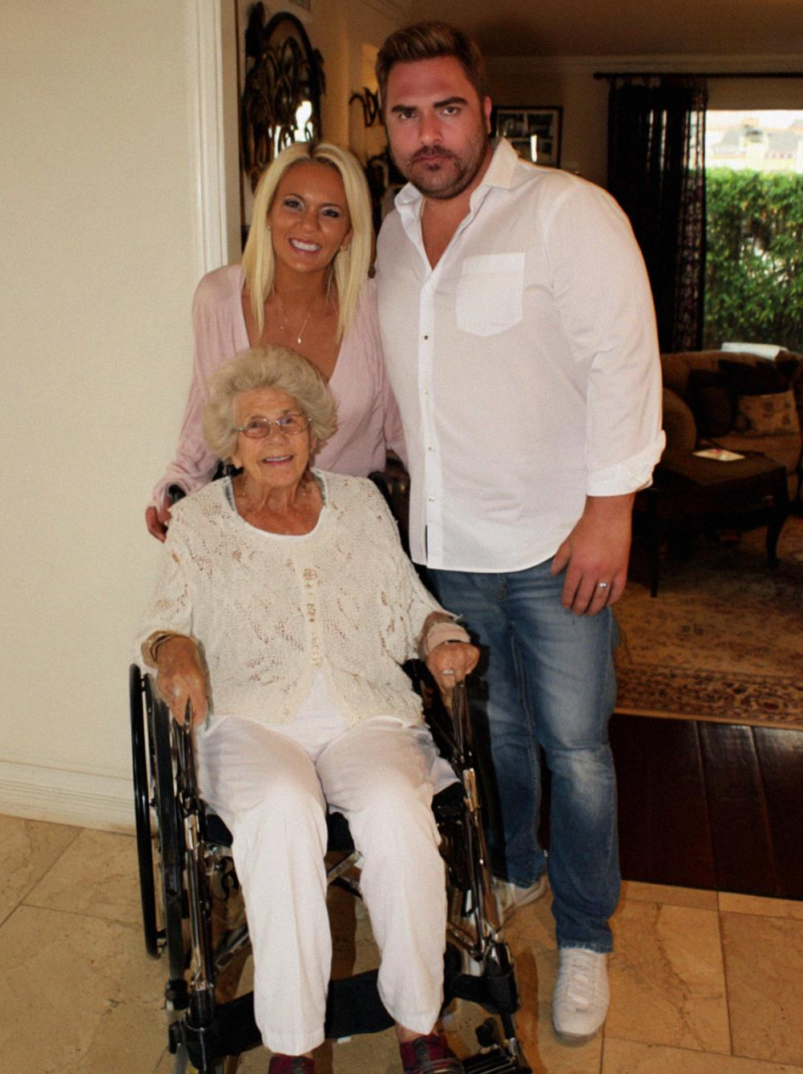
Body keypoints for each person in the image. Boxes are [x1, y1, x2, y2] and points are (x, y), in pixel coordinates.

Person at [374, 22, 665, 1044]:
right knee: (490, 734)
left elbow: (624, 362)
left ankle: (585, 935)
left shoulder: (567, 213)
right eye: (406, 113)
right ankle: (519, 868)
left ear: (485, 111)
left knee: (575, 748)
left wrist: (611, 510)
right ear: (387, 124)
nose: (428, 132)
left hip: (557, 545)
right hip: (446, 547)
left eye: (446, 107)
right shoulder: (389, 233)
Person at [139, 346, 478, 1074]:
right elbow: (164, 622)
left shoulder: (360, 503)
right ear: (231, 444)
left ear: (315, 429)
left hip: (364, 712)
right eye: (255, 426)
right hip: (251, 719)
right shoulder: (198, 522)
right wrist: (175, 648)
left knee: (397, 811)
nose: (275, 438)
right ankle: (292, 1049)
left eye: (289, 420)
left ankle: (419, 1027)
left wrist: (440, 637)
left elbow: (409, 606)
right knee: (284, 813)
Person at [145, 141, 404, 541]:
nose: (308, 226)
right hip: (247, 536)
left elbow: (407, 431)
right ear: (267, 213)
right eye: (293, 205)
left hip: (350, 539)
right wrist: (177, 489)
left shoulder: (375, 309)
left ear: (349, 233)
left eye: (330, 213)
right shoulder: (219, 299)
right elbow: (207, 413)